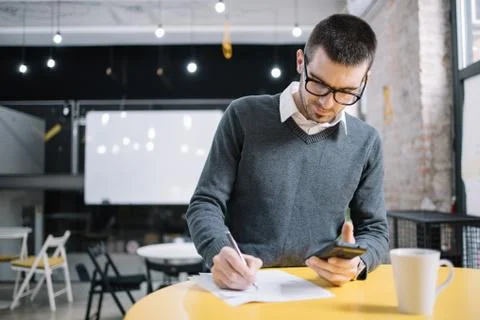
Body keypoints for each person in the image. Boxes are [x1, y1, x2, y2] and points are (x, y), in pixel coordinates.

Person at [186, 13, 389, 290]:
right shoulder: (244, 116)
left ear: (364, 81)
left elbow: (375, 231)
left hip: (320, 291)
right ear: (300, 62)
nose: (327, 103)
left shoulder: (366, 142)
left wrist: (357, 262)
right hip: (242, 288)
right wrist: (218, 250)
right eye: (318, 83)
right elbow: (205, 203)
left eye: (346, 92)